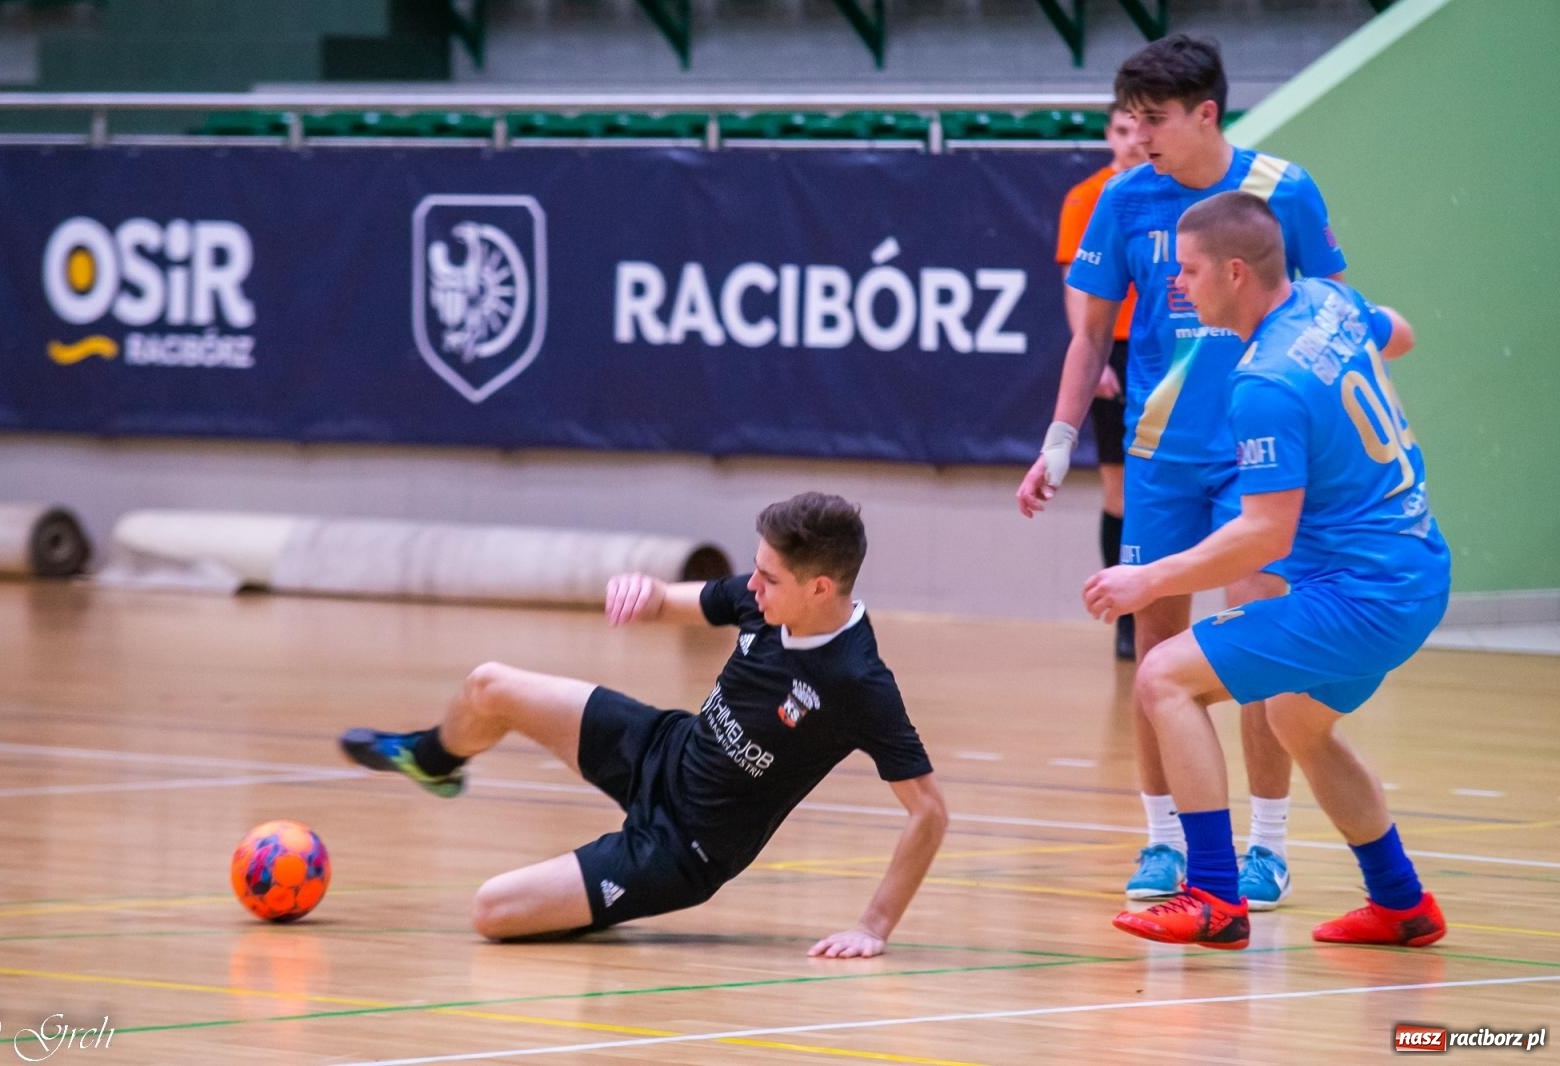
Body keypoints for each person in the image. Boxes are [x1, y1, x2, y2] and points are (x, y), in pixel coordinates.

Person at [1016, 34, 1347, 909]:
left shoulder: (1285, 191)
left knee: (1257, 647)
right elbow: (1090, 335)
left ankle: (1267, 846)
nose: (1138, 135)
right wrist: (1058, 439)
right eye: (1131, 120)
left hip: (1261, 457)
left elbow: (1331, 313)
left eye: (1154, 120)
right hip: (1161, 458)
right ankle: (1163, 840)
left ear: (1208, 112)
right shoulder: (1123, 199)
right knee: (1157, 650)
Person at [340, 492, 948, 956]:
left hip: (682, 848)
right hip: (661, 748)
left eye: (769, 578)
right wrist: (643, 590)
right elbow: (666, 600)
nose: (752, 585)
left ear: (819, 587)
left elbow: (928, 811)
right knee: (489, 684)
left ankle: (595, 894)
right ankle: (434, 761)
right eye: (756, 570)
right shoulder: (762, 601)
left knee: (491, 912)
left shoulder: (859, 683)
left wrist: (873, 927)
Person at [1085, 190, 1450, 948]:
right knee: (1294, 722)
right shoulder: (1326, 301)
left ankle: (1214, 897)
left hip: (1361, 595)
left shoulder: (1264, 382)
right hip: (1415, 569)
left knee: (1162, 676)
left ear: (1238, 272)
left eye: (1188, 270)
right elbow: (1403, 334)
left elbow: (1262, 536)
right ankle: (1402, 903)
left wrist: (1148, 580)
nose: (1176, 285)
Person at [1055, 103, 1146, 660]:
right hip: (1113, 344)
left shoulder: (1173, 189)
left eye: (1142, 128)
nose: (1133, 140)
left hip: (1166, 347)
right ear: (1108, 135)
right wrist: (1095, 360)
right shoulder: (1088, 197)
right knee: (1118, 488)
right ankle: (1126, 617)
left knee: (1160, 484)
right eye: (1121, 130)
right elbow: (1076, 284)